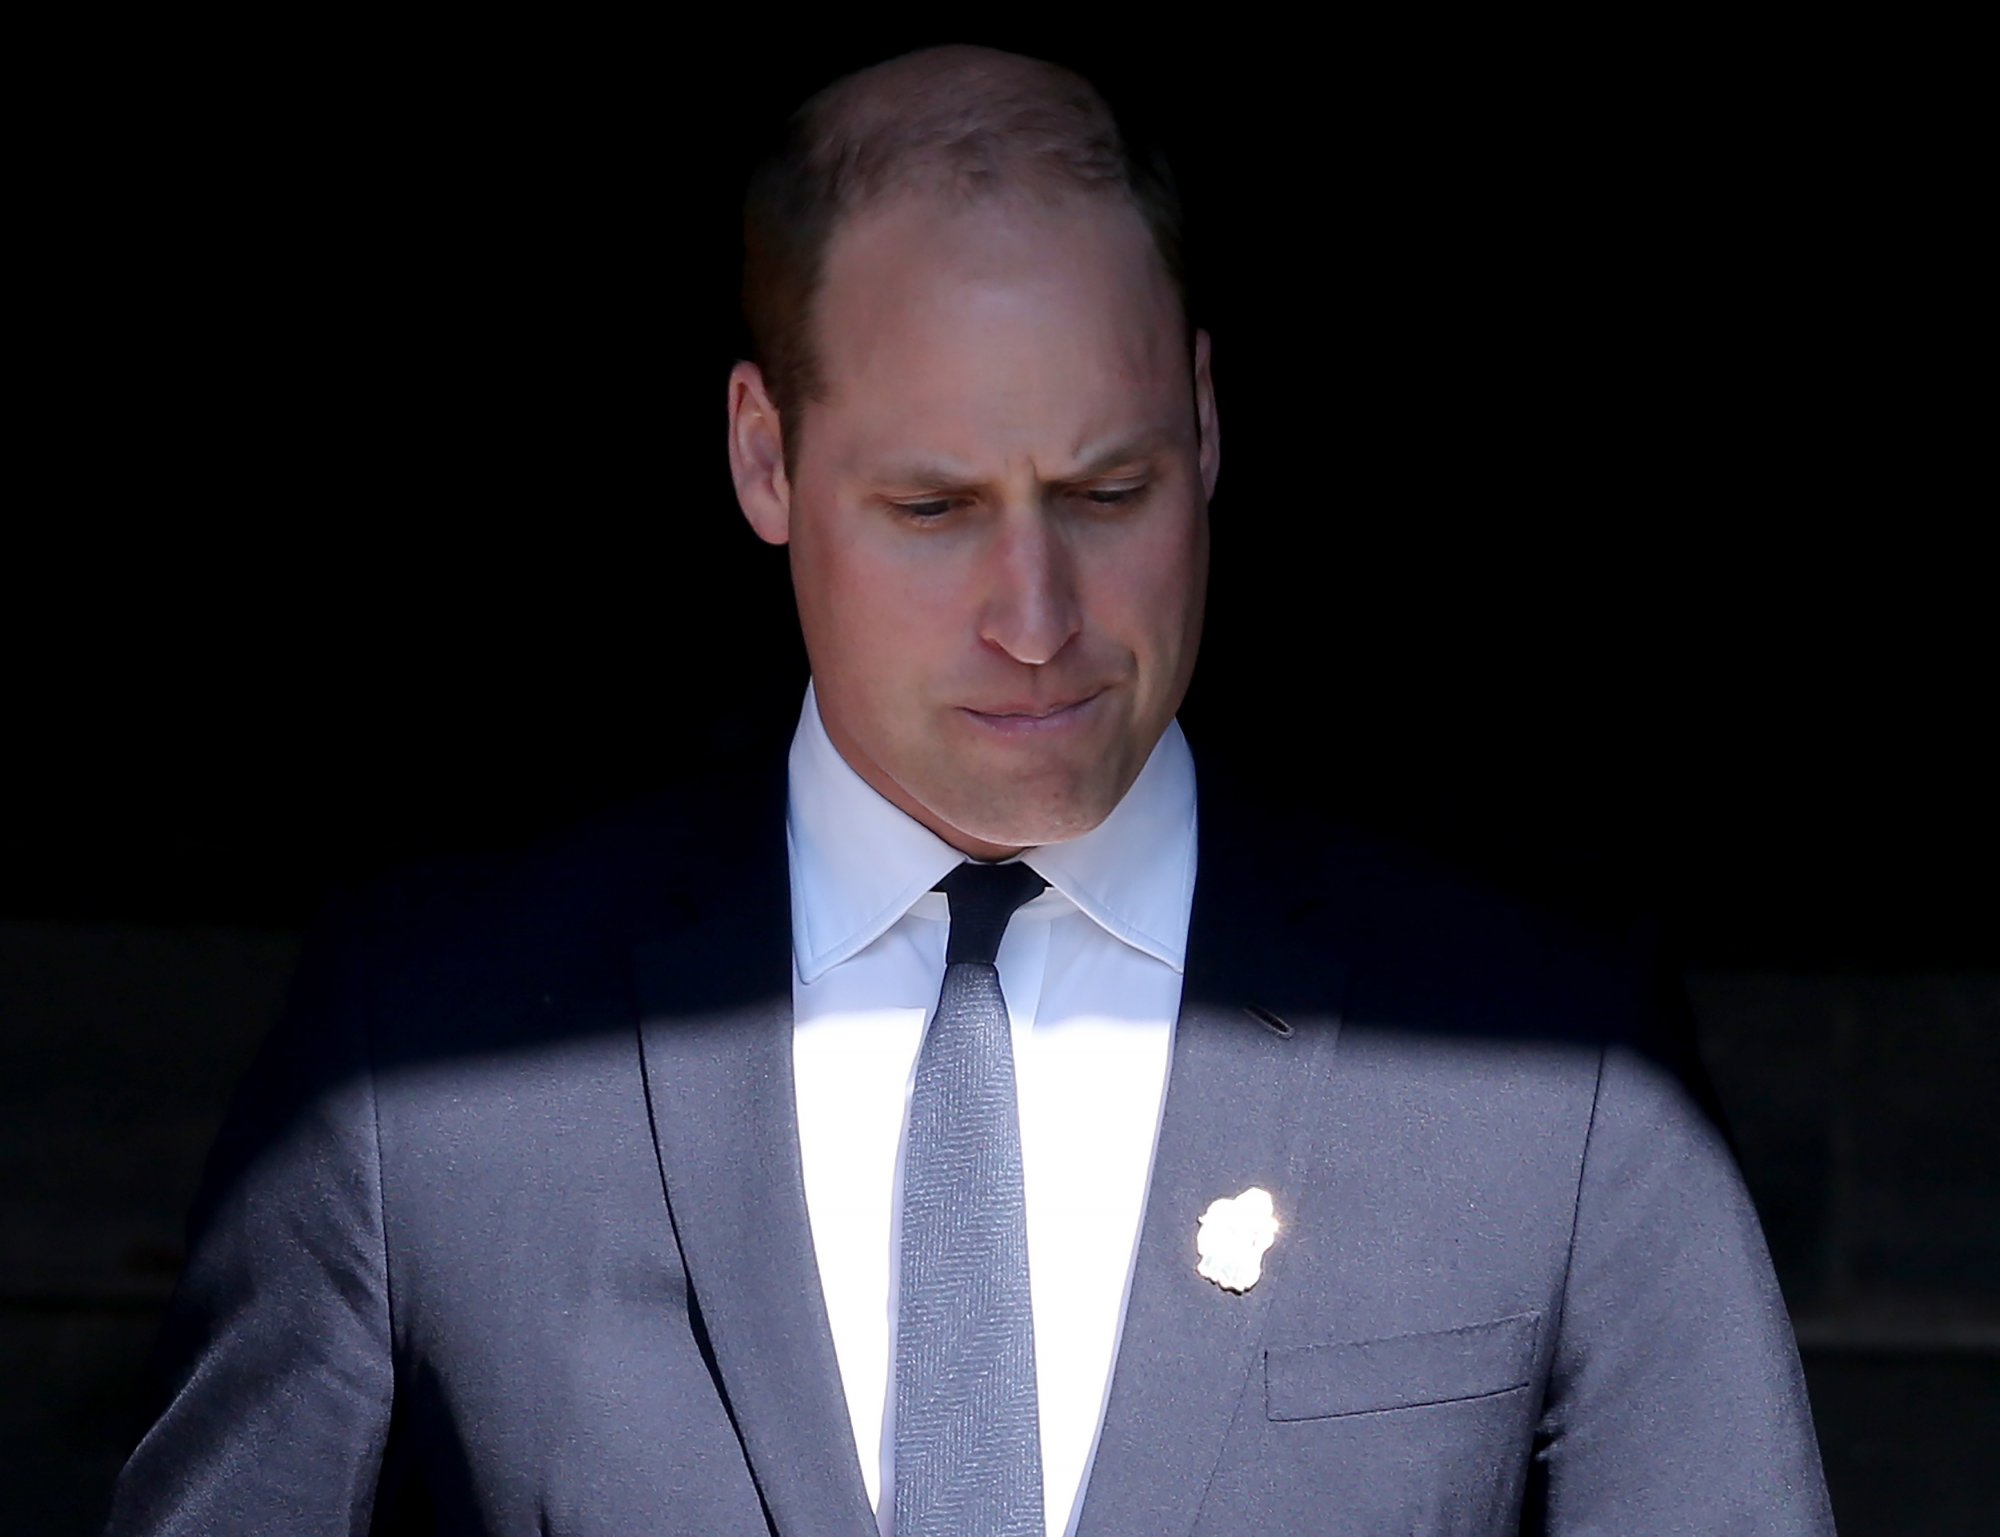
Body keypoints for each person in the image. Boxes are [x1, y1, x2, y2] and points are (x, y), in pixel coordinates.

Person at [105, 44, 1835, 1537]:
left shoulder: (1549, 1068)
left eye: (1107, 491)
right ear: (764, 457)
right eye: (933, 509)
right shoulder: (425, 1062)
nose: (1035, 615)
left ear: (1207, 423)